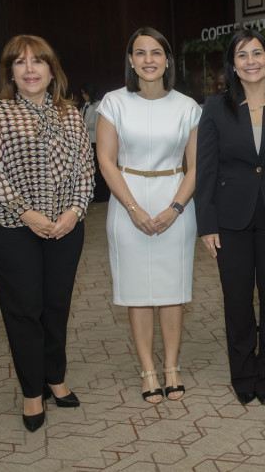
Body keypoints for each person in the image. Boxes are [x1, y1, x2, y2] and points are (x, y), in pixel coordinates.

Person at [0, 34, 94, 432]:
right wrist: (28, 214)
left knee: (56, 307)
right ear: (11, 71)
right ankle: (31, 392)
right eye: (21, 63)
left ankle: (55, 379)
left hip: (65, 228)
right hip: (13, 229)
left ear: (50, 69)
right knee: (24, 312)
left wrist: (74, 212)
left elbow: (85, 170)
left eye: (38, 62)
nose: (30, 70)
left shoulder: (71, 114)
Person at [96, 27, 201, 404]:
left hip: (176, 200)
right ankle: (148, 369)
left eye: (156, 52)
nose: (149, 60)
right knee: (138, 292)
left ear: (167, 59)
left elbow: (195, 166)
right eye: (140, 53)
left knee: (172, 292)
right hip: (128, 199)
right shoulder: (113, 102)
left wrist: (175, 208)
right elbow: (106, 161)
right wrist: (133, 208)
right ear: (130, 61)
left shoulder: (188, 106)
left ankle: (172, 366)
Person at [196, 29, 265, 405]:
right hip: (229, 220)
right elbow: (204, 169)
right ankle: (243, 372)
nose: (251, 61)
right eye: (242, 55)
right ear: (233, 65)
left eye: (257, 54)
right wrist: (206, 223)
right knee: (236, 300)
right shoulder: (214, 107)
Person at [79, 83, 110, 202]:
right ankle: (93, 193)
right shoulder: (84, 106)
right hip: (86, 142)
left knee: (99, 169)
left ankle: (102, 194)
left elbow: (98, 126)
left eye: (84, 93)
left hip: (96, 141)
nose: (83, 96)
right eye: (82, 93)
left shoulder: (98, 105)